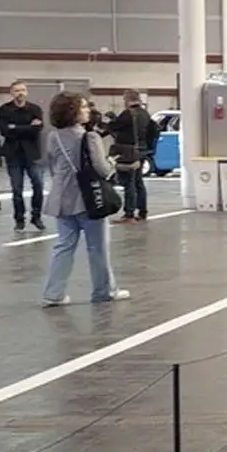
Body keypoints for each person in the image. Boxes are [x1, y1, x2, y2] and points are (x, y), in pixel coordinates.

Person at [40, 92, 129, 306]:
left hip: (61, 199)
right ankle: (104, 291)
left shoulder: (53, 136)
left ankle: (54, 293)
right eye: (83, 107)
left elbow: (52, 167)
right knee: (97, 248)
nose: (88, 110)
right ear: (73, 112)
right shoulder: (90, 137)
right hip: (88, 199)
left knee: (63, 246)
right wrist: (112, 163)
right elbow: (102, 170)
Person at [0, 81, 46, 231]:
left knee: (38, 185)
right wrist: (28, 127)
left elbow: (38, 129)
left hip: (32, 153)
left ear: (27, 92)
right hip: (13, 154)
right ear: (11, 93)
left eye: (23, 90)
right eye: (17, 90)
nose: (20, 93)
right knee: (17, 189)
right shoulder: (4, 109)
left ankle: (36, 216)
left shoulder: (35, 109)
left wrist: (15, 127)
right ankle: (19, 219)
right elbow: (4, 131)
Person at [105, 89, 157, 222]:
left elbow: (114, 127)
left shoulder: (128, 113)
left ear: (127, 100)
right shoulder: (145, 113)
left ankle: (129, 214)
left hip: (129, 152)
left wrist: (111, 119)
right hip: (142, 150)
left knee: (129, 183)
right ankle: (142, 212)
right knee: (139, 182)